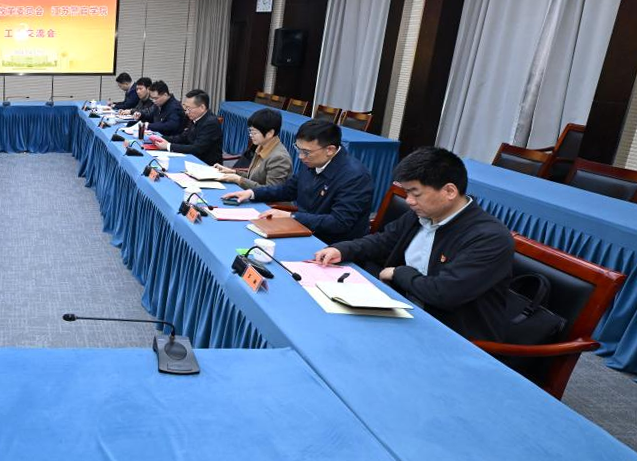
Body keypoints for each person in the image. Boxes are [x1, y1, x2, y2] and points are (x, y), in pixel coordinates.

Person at [312, 147, 514, 341]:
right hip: (401, 308)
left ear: (449, 191)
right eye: (406, 193)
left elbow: (444, 293)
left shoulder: (489, 238)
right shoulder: (422, 214)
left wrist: (398, 273)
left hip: (448, 331)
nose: (409, 201)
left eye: (415, 194)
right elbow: (383, 240)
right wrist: (342, 249)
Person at [222, 119, 373, 244]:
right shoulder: (314, 160)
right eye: (298, 149)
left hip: (331, 245)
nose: (300, 157)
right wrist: (251, 193)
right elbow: (287, 189)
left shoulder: (355, 177)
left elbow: (339, 222)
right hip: (302, 230)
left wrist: (292, 217)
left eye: (306, 152)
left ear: (330, 150)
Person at [214, 108, 291, 190]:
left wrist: (238, 179)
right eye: (250, 131)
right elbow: (254, 177)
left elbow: (271, 191)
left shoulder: (279, 158)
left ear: (270, 133)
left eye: (254, 132)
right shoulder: (262, 146)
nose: (251, 135)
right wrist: (233, 172)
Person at [152, 89, 222, 165]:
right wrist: (161, 138)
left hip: (206, 164)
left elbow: (197, 148)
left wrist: (168, 146)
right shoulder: (196, 118)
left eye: (189, 108)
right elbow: (183, 137)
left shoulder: (211, 123)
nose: (186, 112)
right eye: (185, 108)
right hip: (192, 159)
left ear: (202, 107)